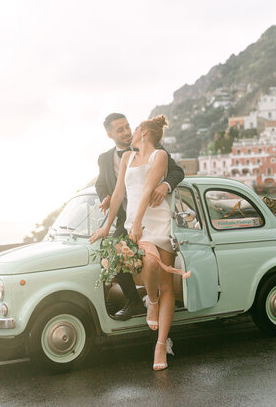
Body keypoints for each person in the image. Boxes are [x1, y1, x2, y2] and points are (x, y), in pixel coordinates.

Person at [90, 115, 187, 370]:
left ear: (143, 132)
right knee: (151, 267)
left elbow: (151, 188)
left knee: (166, 286)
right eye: (121, 129)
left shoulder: (160, 155)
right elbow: (117, 192)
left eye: (130, 128)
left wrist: (165, 186)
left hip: (157, 221)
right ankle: (150, 302)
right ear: (110, 134)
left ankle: (161, 345)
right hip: (135, 223)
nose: (128, 132)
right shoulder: (123, 158)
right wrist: (107, 226)